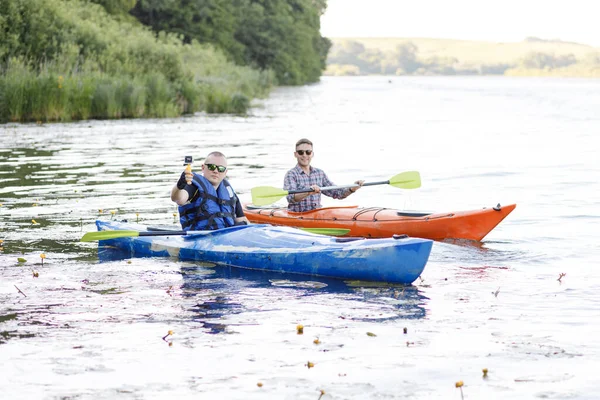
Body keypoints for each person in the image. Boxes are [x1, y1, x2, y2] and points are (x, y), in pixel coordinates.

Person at [171, 151, 249, 230]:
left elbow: (242, 220)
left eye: (221, 169)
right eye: (212, 167)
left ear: (225, 172)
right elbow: (178, 199)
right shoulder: (193, 186)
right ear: (203, 168)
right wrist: (179, 186)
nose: (216, 171)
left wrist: (244, 226)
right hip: (199, 237)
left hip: (225, 237)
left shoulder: (229, 193)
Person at [283, 138, 364, 212]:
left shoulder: (319, 173)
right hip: (298, 215)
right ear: (295, 154)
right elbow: (290, 198)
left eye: (308, 152)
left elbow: (337, 193)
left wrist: (352, 188)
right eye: (301, 152)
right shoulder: (291, 174)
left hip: (316, 214)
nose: (304, 155)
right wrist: (308, 192)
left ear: (312, 154)